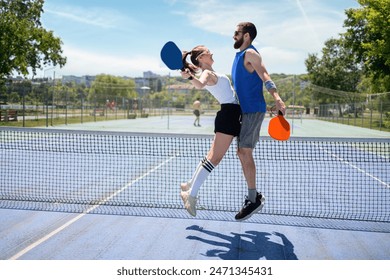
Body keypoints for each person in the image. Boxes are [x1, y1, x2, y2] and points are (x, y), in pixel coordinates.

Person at [231, 22, 286, 221]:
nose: (233, 36)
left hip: (253, 110)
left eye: (236, 33)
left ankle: (253, 199)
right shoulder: (239, 56)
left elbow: (265, 75)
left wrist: (277, 98)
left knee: (244, 151)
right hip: (244, 111)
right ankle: (254, 196)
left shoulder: (252, 54)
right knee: (241, 152)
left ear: (246, 36)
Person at [180, 45, 242, 217]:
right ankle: (191, 195)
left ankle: (189, 185)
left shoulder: (209, 72)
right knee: (215, 159)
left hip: (230, 114)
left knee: (211, 157)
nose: (212, 53)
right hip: (229, 115)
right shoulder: (206, 74)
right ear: (201, 58)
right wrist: (189, 77)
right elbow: (199, 85)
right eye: (208, 52)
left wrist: (189, 72)